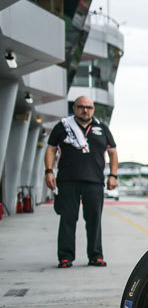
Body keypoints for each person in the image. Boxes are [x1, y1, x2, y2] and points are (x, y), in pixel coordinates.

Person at [44, 96, 118, 268]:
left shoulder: (102, 128)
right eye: (81, 107)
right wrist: (49, 171)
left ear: (93, 109)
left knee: (94, 220)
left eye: (89, 107)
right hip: (67, 181)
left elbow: (113, 153)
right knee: (67, 219)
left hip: (94, 182)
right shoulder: (63, 126)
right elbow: (50, 149)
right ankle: (65, 257)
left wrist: (113, 175)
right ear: (75, 108)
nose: (86, 110)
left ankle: (96, 256)